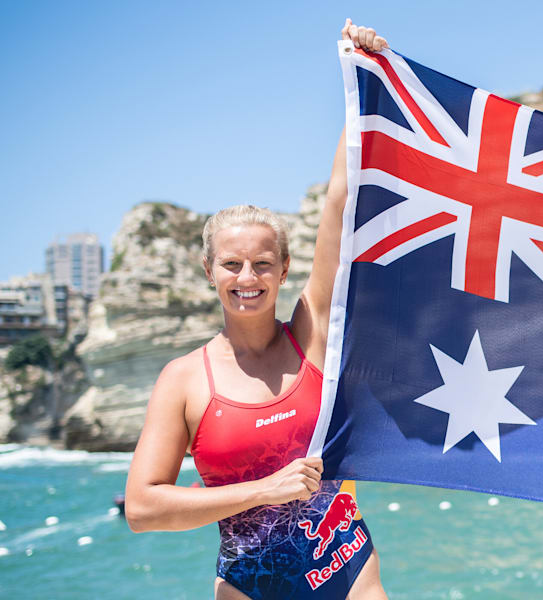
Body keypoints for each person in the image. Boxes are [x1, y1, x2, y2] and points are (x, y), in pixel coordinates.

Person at [124, 20, 390, 600]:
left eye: (263, 264)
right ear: (209, 271)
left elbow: (340, 208)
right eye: (232, 265)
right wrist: (265, 490)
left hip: (350, 578)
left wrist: (361, 78)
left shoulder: (310, 335)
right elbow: (143, 507)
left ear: (284, 269)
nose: (248, 279)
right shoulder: (185, 380)